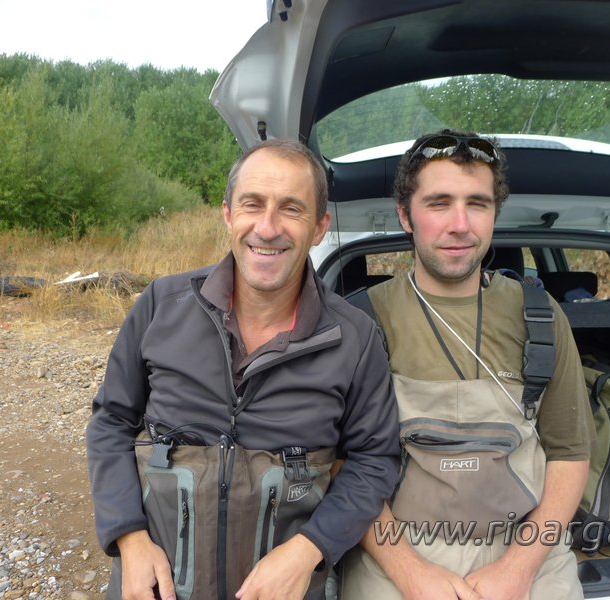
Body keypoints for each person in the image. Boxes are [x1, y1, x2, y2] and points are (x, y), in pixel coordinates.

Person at [86, 139, 400, 600]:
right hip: (158, 587)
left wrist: (310, 549)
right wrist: (129, 538)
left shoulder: (355, 338)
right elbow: (110, 421)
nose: (267, 228)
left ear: (319, 227)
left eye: (291, 208)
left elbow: (374, 461)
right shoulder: (160, 305)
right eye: (252, 204)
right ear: (228, 214)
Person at [340, 130, 595, 600]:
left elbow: (570, 454)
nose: (460, 225)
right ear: (405, 215)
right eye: (439, 203)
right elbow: (342, 464)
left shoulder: (540, 316)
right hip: (393, 548)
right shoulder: (361, 322)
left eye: (477, 204)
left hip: (527, 548)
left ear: (495, 213)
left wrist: (518, 567)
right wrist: (411, 573)